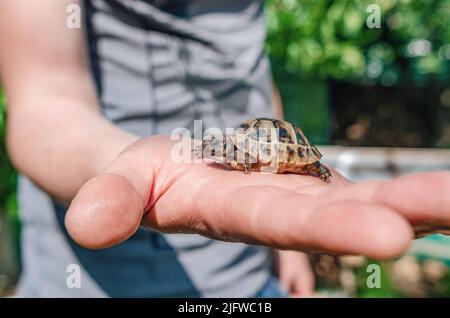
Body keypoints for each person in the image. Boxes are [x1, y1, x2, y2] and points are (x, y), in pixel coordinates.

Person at [1, 0, 449, 298]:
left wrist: (287, 247)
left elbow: (250, 69)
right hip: (95, 283)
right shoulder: (221, 152)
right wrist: (125, 166)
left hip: (252, 277)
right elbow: (44, 99)